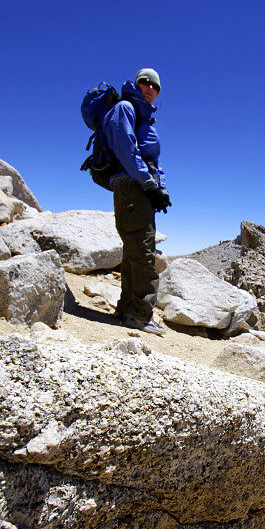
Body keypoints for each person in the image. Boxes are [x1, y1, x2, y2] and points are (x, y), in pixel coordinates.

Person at [103, 68, 171, 336]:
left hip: (140, 189)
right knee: (143, 252)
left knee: (134, 251)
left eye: (155, 86)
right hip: (132, 187)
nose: (150, 88)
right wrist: (148, 183)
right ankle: (141, 315)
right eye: (145, 82)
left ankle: (127, 310)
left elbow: (152, 159)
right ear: (136, 84)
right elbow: (125, 147)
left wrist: (160, 189)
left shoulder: (144, 116)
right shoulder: (125, 107)